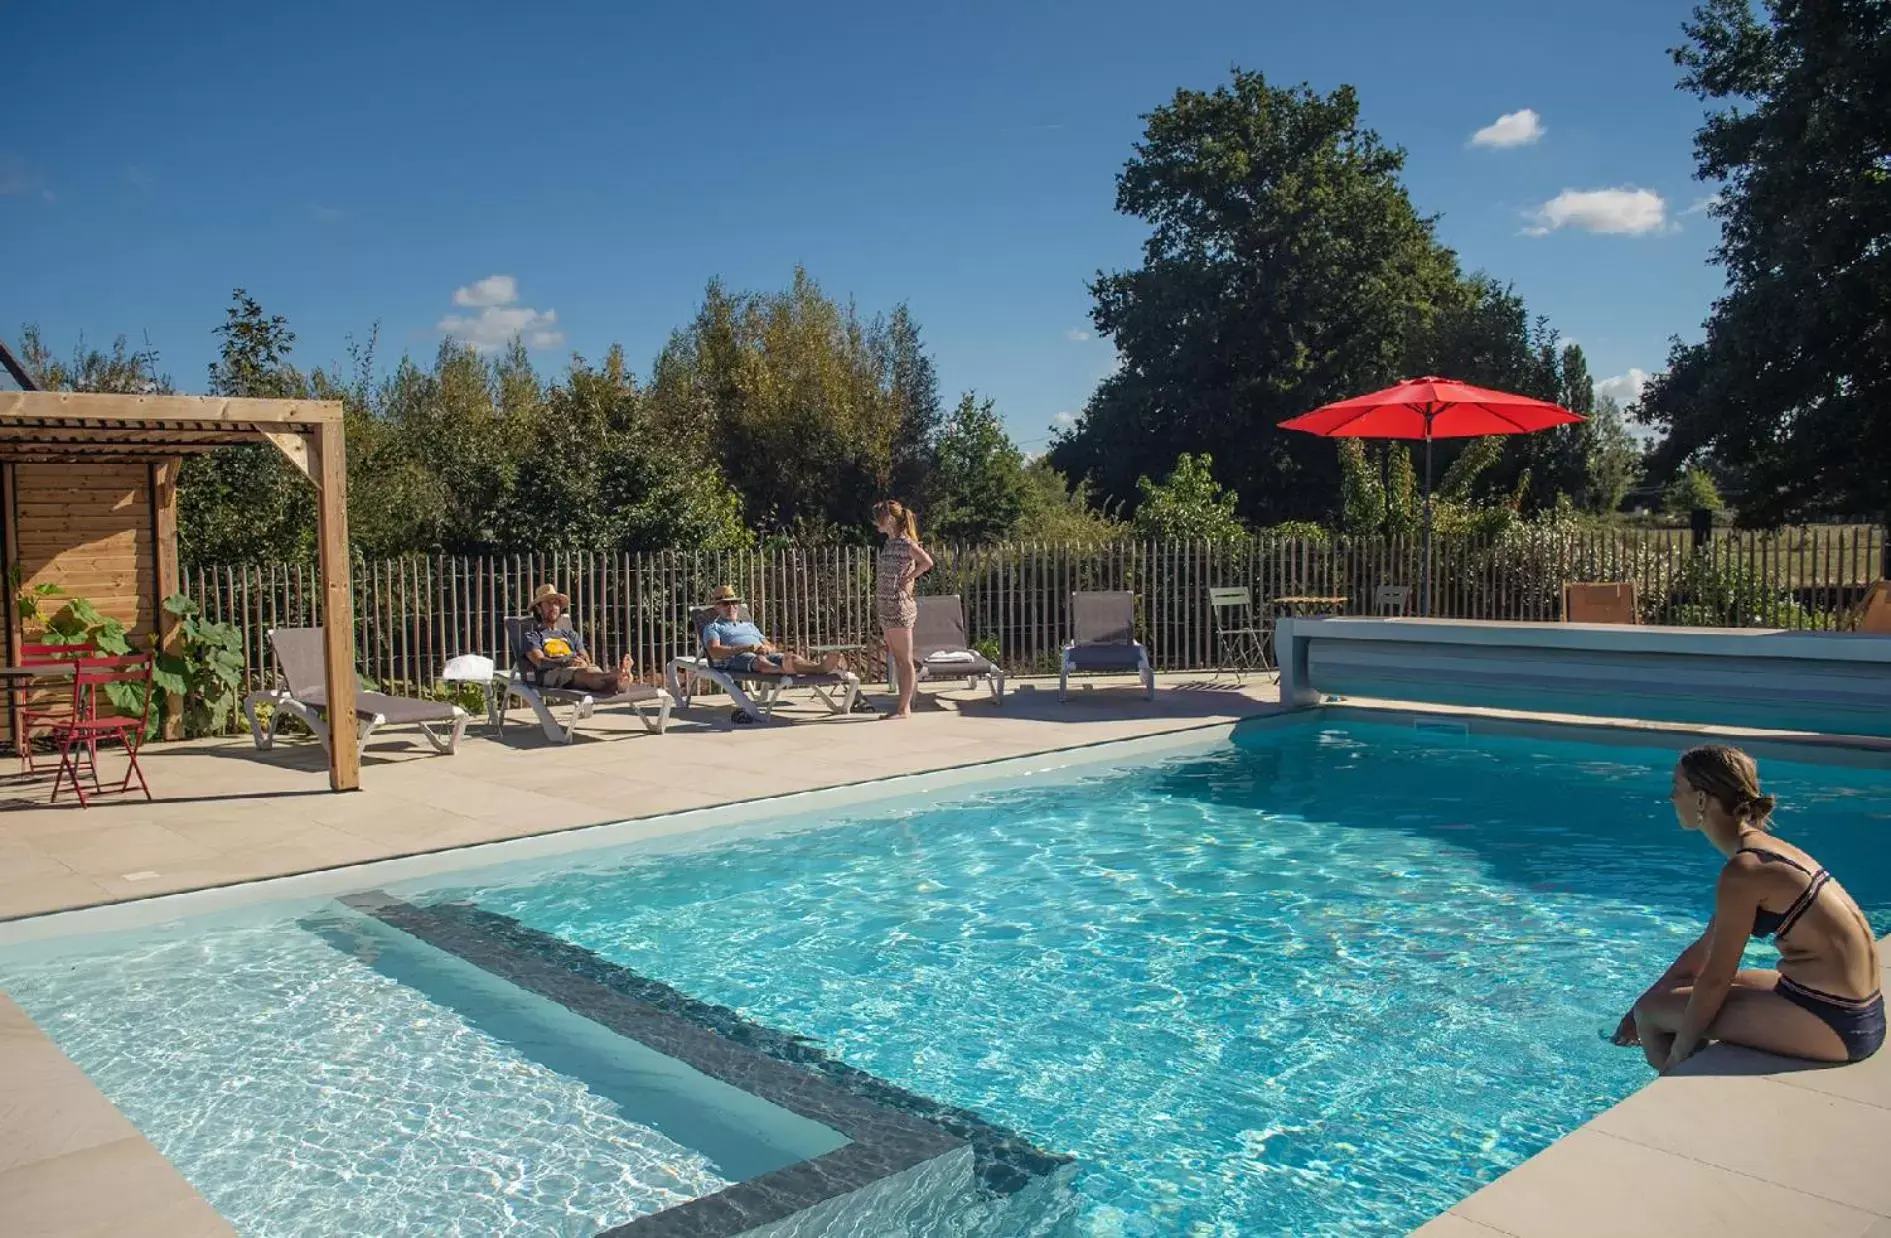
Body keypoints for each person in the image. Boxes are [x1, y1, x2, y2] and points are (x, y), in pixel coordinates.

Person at [1613, 744, 1883, 1070]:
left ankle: (1681, 1086)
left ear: (1701, 799)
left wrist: (1677, 1052)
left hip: (1837, 1022)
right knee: (1670, 998)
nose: (1672, 798)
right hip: (1854, 1010)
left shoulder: (1744, 871)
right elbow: (1705, 950)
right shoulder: (1764, 852)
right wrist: (1636, 1006)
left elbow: (1715, 978)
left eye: (1677, 788)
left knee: (1652, 1015)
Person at [873, 498, 934, 720]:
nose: (875, 523)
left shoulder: (907, 544)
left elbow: (927, 562)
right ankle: (903, 704)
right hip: (886, 606)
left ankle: (904, 708)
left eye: (878, 518)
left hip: (899, 607)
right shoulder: (889, 544)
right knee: (898, 659)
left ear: (888, 519)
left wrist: (909, 578)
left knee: (904, 659)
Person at [701, 586, 843, 676]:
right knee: (758, 660)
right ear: (717, 608)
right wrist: (746, 648)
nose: (731, 606)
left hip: (763, 655)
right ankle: (783, 670)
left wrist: (767, 648)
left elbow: (770, 645)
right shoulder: (713, 627)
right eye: (726, 603)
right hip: (735, 659)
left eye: (734, 602)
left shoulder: (749, 626)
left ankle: (819, 668)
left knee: (791, 657)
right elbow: (715, 651)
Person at [519, 583, 634, 694]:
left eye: (556, 603)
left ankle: (620, 680)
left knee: (591, 671)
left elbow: (585, 657)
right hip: (552, 673)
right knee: (587, 674)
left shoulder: (570, 634)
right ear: (539, 609)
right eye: (548, 603)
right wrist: (565, 662)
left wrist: (583, 661)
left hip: (579, 671)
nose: (553, 607)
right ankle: (617, 676)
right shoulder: (532, 636)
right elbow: (540, 662)